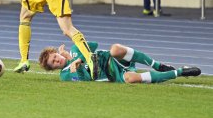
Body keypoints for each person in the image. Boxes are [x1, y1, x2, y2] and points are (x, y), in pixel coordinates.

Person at [39, 42, 201, 83]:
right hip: (111, 74)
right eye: (53, 63)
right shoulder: (65, 76)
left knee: (115, 48)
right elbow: (87, 80)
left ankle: (158, 65)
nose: (57, 60)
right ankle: (180, 72)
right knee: (131, 79)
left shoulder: (74, 49)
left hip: (109, 58)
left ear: (56, 52)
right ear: (53, 68)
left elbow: (93, 45)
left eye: (55, 56)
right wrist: (78, 66)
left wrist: (76, 58)